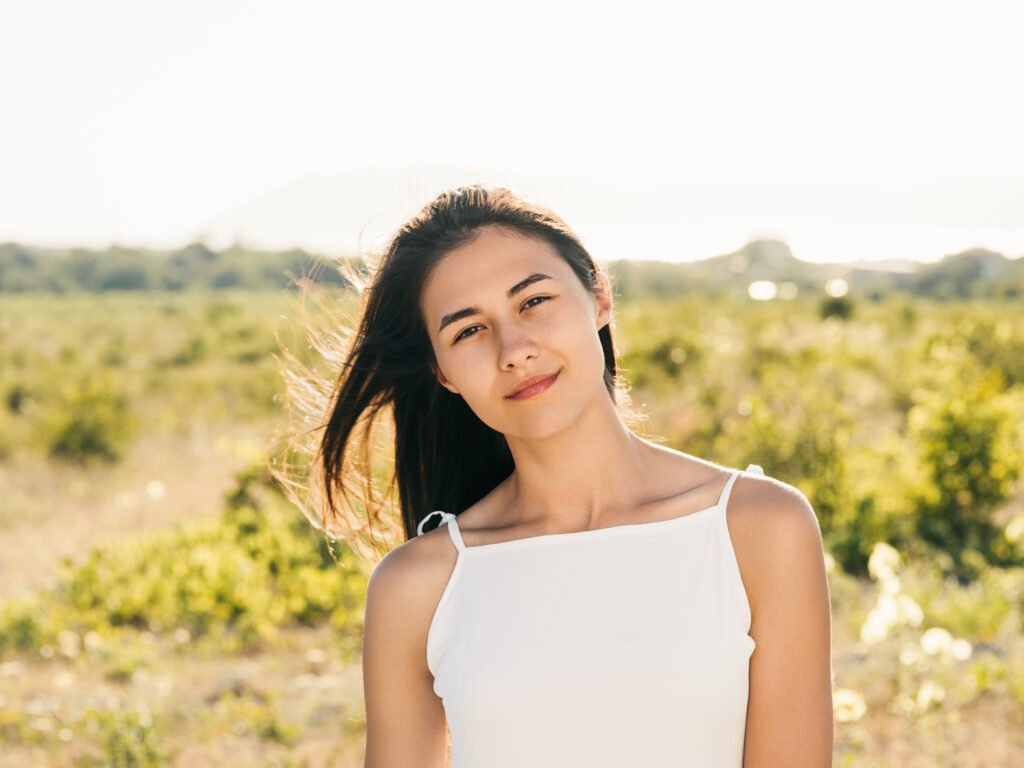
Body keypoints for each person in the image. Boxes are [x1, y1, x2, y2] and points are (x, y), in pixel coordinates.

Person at [312, 185, 833, 766]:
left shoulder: (757, 528)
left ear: (600, 297)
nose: (514, 350)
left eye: (533, 302)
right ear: (444, 373)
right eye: (468, 331)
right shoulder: (419, 585)